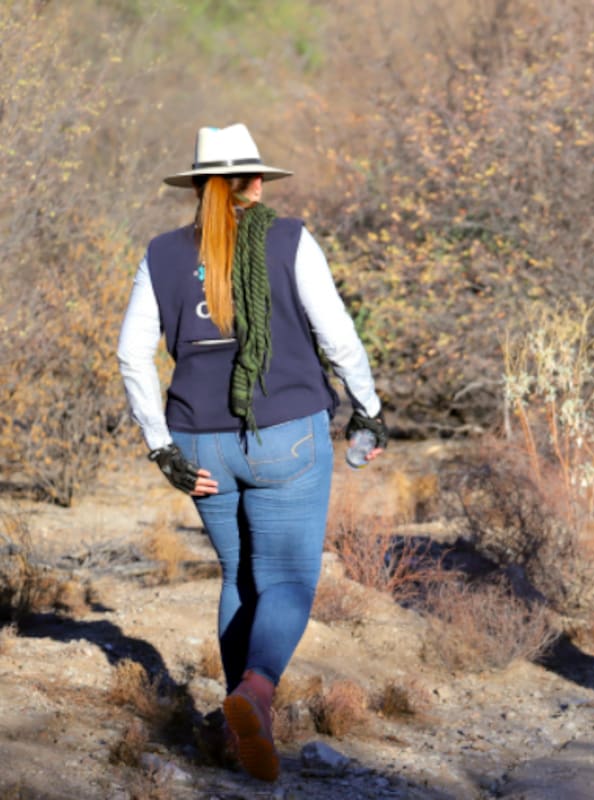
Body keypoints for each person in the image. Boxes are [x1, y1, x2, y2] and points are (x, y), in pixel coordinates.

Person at [117, 123, 388, 781]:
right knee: (289, 578)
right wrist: (370, 411)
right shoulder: (289, 239)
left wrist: (161, 451)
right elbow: (339, 336)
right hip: (285, 432)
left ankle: (241, 734)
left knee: (240, 574)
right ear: (252, 183)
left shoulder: (160, 253)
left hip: (198, 443)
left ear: (199, 186)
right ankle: (256, 693)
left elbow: (132, 355)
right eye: (258, 175)